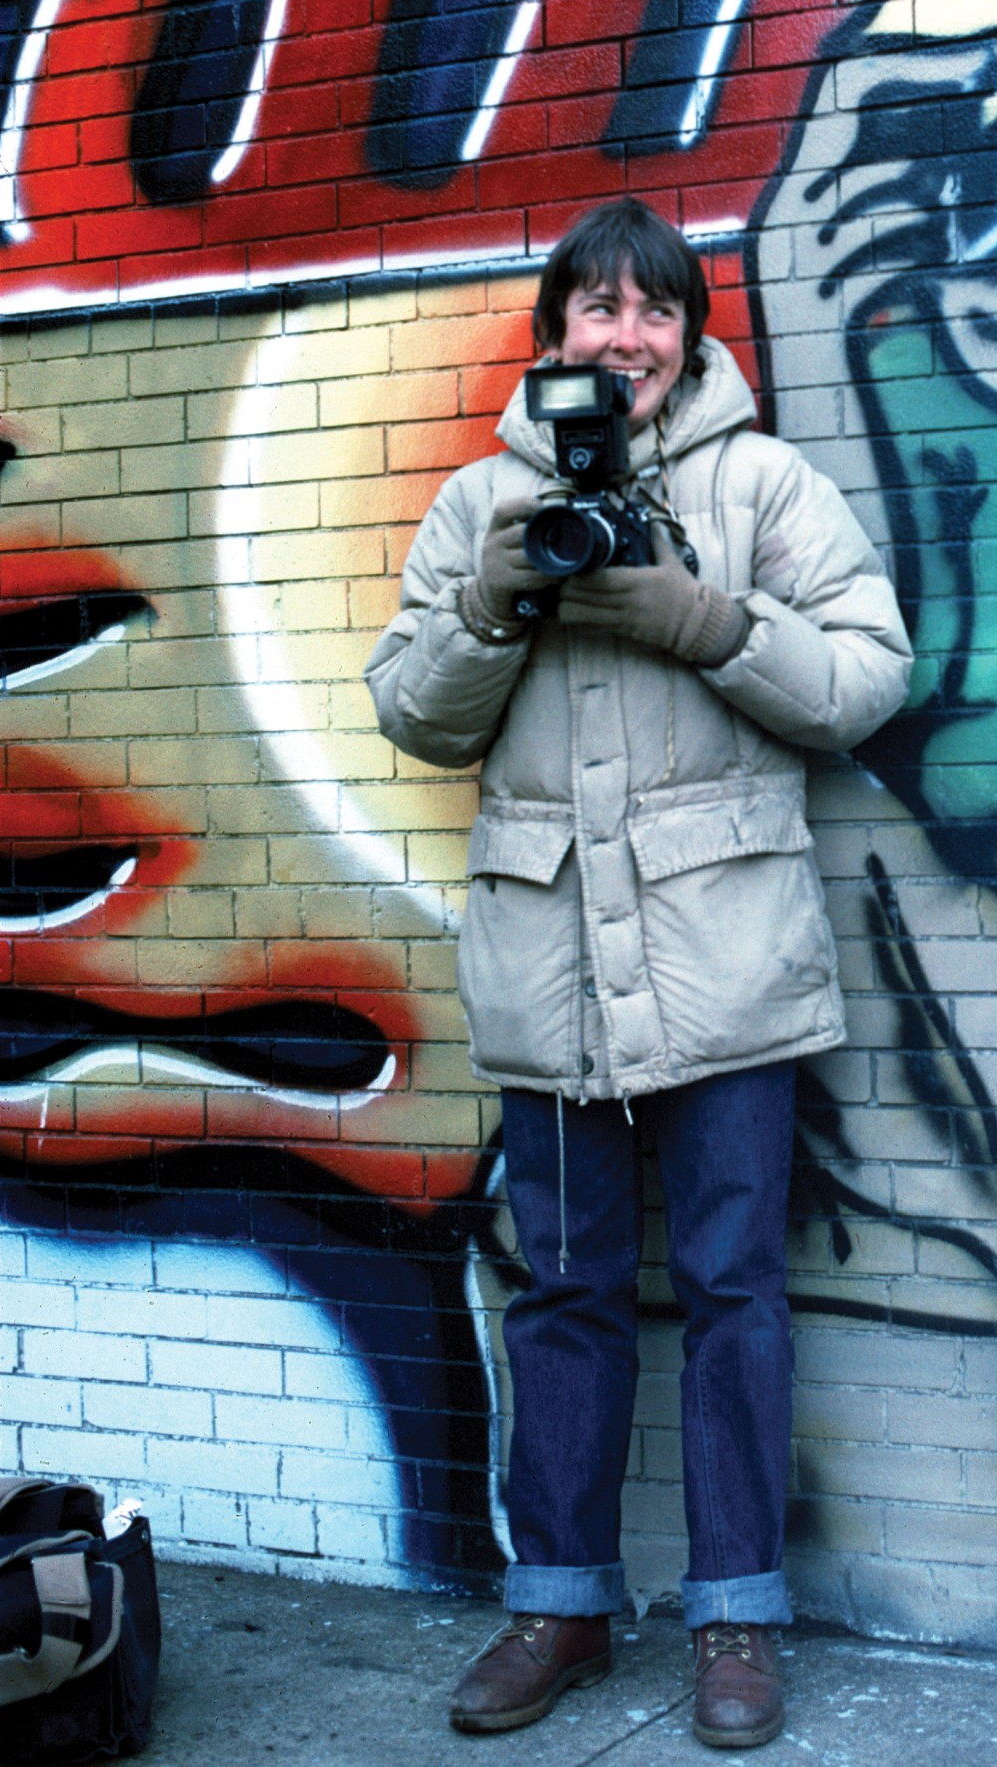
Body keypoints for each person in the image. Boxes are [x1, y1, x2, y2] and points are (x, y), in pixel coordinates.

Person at [365, 197, 912, 1747]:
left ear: (689, 335)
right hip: (550, 981)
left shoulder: (762, 485)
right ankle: (559, 1604)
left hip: (725, 968)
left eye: (652, 311)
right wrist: (493, 604)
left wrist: (704, 618)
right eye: (595, 310)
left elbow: (868, 675)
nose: (624, 337)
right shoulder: (482, 500)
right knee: (563, 1300)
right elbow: (415, 712)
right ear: (554, 338)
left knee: (737, 1292)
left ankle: (736, 1622)